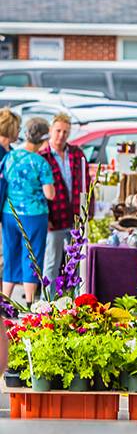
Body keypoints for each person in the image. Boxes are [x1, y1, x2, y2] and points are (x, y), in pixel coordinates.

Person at [2, 118, 55, 302]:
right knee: (32, 257)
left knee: (11, 255)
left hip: (9, 212)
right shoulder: (40, 163)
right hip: (34, 215)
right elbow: (50, 194)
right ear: (44, 139)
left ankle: (4, 300)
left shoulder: (10, 156)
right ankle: (30, 303)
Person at [38, 112, 87, 288]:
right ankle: (48, 304)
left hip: (75, 218)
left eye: (65, 132)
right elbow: (38, 192)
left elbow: (85, 184)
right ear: (51, 130)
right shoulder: (43, 156)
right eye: (58, 130)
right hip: (55, 218)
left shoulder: (77, 153)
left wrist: (87, 213)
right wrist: (46, 218)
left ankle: (75, 303)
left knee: (76, 265)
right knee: (51, 263)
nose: (61, 135)